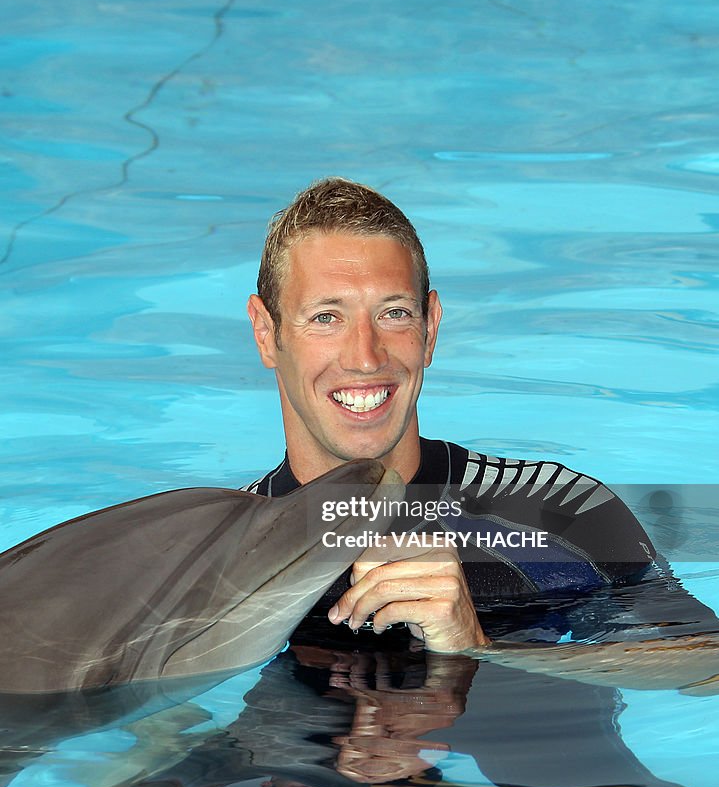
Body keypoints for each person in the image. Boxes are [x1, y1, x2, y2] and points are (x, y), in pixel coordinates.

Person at [246, 177, 718, 682]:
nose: (365, 357)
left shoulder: (560, 514)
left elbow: (706, 666)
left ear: (431, 328)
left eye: (395, 313)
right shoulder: (223, 554)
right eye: (325, 318)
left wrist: (478, 647)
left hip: (547, 753)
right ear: (266, 333)